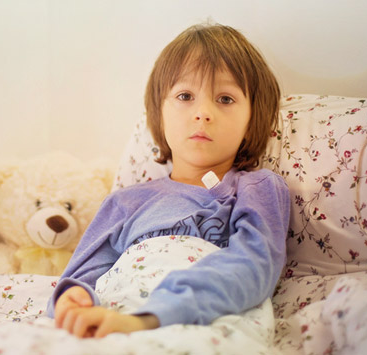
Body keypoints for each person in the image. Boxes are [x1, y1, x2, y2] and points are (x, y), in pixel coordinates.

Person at [46, 23, 290, 338]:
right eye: (185, 95)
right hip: (114, 318)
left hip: (205, 321)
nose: (203, 113)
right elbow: (80, 278)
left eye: (225, 99)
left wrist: (150, 318)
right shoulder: (125, 202)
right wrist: (73, 300)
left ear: (252, 119)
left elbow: (255, 266)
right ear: (159, 114)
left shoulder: (257, 188)